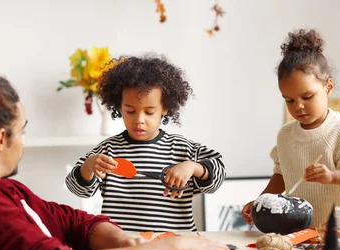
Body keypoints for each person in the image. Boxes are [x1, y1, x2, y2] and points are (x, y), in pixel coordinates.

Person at [0, 55, 233, 250]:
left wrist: (126, 242)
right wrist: (173, 247)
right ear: (2, 139)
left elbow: (70, 220)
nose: (24, 141)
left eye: (149, 111)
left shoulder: (4, 190)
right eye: (22, 130)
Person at [65, 54, 226, 232]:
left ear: (165, 108)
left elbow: (217, 178)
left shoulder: (184, 149)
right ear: (120, 107)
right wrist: (87, 167)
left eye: (149, 112)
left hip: (175, 248)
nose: (139, 120)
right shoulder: (108, 149)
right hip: (124, 246)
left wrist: (193, 167)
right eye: (130, 111)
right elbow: (79, 190)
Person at [242, 29, 340, 228]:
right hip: (303, 230)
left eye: (307, 97)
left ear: (328, 87)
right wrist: (261, 201)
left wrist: (332, 176)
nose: (298, 106)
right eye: (289, 100)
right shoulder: (285, 136)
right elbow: (282, 174)